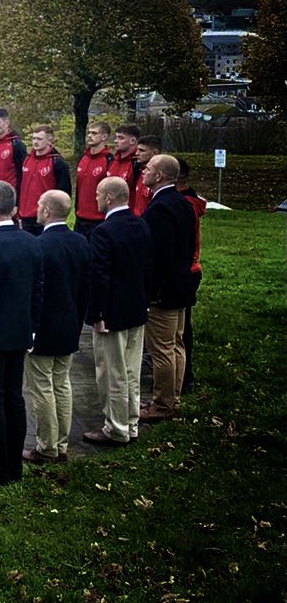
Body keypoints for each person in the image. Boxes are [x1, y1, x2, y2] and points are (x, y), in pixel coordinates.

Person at [0, 181, 43, 486]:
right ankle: (13, 465)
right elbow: (38, 292)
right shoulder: (32, 242)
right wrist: (31, 328)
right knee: (14, 397)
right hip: (20, 332)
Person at [82, 177, 152, 447]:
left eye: (99, 194)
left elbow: (99, 276)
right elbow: (148, 267)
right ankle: (131, 422)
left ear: (109, 198)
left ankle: (116, 428)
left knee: (112, 373)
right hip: (136, 308)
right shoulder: (141, 224)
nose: (96, 198)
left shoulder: (104, 232)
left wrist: (96, 314)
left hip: (112, 314)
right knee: (131, 372)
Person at [23, 190, 89, 463]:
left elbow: (35, 293)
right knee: (62, 384)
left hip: (45, 329)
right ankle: (60, 443)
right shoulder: (82, 242)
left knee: (42, 388)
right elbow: (85, 286)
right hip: (70, 324)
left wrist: (30, 328)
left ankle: (47, 446)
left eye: (39, 205)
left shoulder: (39, 245)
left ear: (47, 212)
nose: (36, 208)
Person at [139, 154, 196, 423]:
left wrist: (152, 290)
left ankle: (162, 404)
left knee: (161, 348)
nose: (143, 171)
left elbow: (157, 255)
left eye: (148, 168)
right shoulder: (183, 203)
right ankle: (173, 398)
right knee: (176, 344)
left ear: (160, 175)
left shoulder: (160, 208)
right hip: (181, 285)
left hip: (164, 291)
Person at [176, 158, 206, 394]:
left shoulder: (182, 205)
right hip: (186, 270)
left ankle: (184, 378)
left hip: (182, 272)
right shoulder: (184, 203)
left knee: (181, 328)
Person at [18, 125, 71, 235]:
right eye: (34, 138)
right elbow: (20, 186)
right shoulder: (27, 159)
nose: (35, 142)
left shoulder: (58, 163)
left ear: (49, 140)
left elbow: (64, 192)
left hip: (45, 217)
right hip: (25, 217)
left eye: (39, 139)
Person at [74, 122, 112, 236]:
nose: (90, 136)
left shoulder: (109, 160)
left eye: (94, 133)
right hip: (80, 218)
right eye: (89, 133)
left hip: (99, 219)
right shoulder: (83, 159)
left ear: (104, 137)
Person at [105, 123, 141, 199]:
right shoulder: (112, 160)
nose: (115, 141)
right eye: (116, 137)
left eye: (121, 138)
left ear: (133, 141)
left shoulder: (137, 163)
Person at [132, 135, 162, 216]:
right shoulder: (139, 171)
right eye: (137, 150)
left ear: (155, 152)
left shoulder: (160, 177)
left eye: (142, 150)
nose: (137, 153)